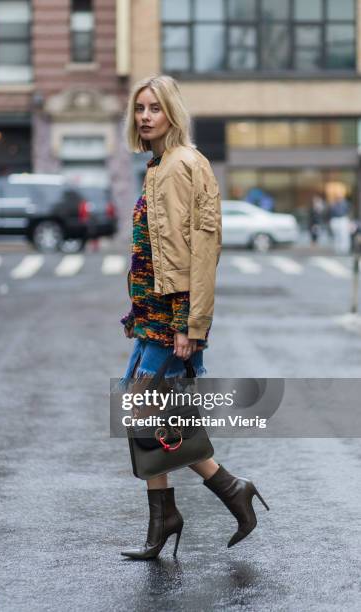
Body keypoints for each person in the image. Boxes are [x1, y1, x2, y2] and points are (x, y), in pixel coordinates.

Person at [119, 75, 269, 560]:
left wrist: (189, 325)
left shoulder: (184, 164)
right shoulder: (157, 164)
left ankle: (209, 499)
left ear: (172, 113)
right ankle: (182, 510)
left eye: (154, 108)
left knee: (148, 417)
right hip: (150, 321)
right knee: (147, 417)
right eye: (140, 108)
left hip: (169, 324)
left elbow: (197, 252)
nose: (145, 116)